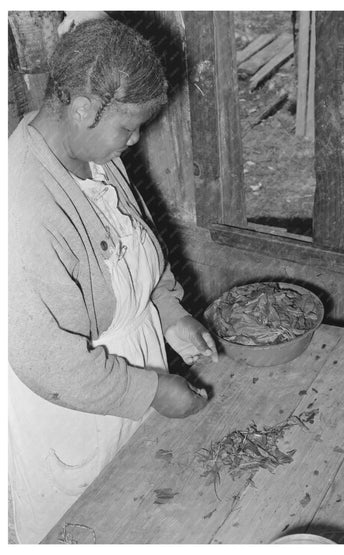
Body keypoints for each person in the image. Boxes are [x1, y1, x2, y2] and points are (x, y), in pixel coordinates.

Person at [8, 17, 218, 544]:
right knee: (90, 527)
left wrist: (172, 314)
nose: (135, 139)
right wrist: (147, 388)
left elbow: (137, 242)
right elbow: (44, 358)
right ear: (82, 107)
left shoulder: (90, 153)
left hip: (131, 382)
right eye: (128, 127)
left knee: (140, 516)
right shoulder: (24, 203)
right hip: (73, 406)